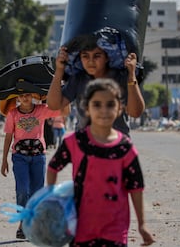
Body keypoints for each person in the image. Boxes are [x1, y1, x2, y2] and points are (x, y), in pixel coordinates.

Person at [47, 78, 155, 247]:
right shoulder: (75, 142)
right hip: (80, 227)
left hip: (116, 229)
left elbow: (136, 187)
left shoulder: (125, 148)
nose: (104, 110)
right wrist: (51, 200)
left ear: (120, 108)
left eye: (110, 104)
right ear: (87, 109)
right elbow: (53, 167)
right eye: (97, 104)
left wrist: (142, 225)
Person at [47, 34, 145, 136]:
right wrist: (59, 71)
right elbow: (54, 105)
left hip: (116, 144)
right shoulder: (78, 79)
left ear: (107, 57)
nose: (91, 61)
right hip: (85, 144)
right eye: (85, 56)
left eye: (97, 56)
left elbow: (135, 112)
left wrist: (131, 75)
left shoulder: (121, 78)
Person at [0, 93, 68, 240]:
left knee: (37, 192)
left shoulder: (42, 109)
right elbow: (8, 137)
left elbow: (65, 111)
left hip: (38, 157)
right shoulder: (13, 114)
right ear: (17, 98)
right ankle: (22, 223)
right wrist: (4, 159)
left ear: (33, 96)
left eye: (28, 95)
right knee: (23, 190)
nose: (25, 98)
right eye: (21, 95)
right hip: (19, 158)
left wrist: (64, 92)